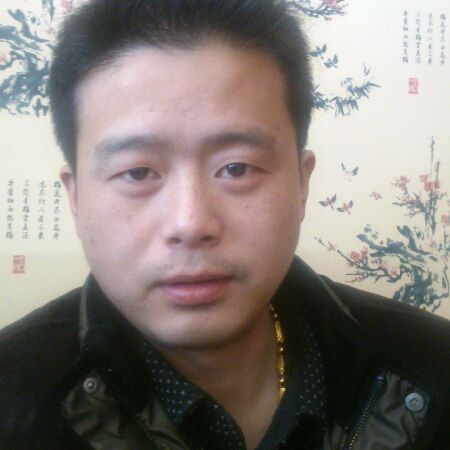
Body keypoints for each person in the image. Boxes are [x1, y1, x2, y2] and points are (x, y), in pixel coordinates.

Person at [0, 1, 448, 448]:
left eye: (236, 168)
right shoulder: (13, 401)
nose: (190, 223)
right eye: (137, 172)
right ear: (76, 198)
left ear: (302, 182)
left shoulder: (435, 365)